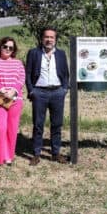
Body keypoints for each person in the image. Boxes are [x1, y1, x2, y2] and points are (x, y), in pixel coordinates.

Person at [26, 28, 70, 165]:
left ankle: (55, 153)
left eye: (52, 37)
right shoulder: (34, 53)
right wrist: (31, 91)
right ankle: (36, 154)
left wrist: (64, 89)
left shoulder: (61, 54)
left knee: (57, 124)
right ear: (42, 38)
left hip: (57, 92)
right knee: (38, 124)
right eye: (46, 37)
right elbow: (28, 73)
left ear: (55, 39)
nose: (49, 40)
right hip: (39, 93)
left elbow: (65, 73)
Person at [0, 37, 25, 166]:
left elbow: (21, 79)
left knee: (11, 129)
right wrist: (1, 89)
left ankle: (8, 156)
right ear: (0, 47)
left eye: (11, 48)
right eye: (5, 46)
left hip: (15, 98)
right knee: (0, 127)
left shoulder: (18, 63)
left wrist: (13, 90)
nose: (8, 49)